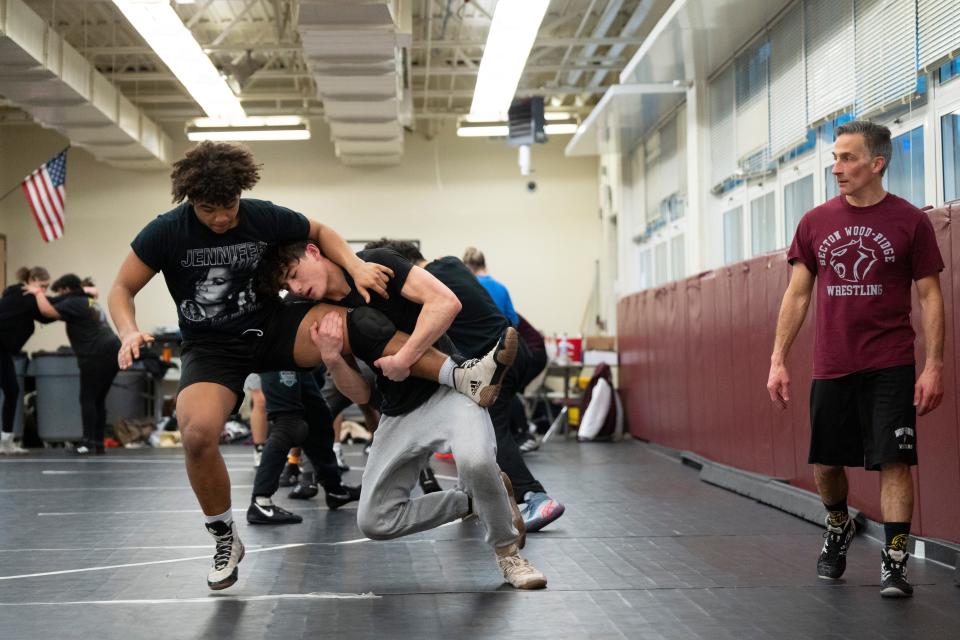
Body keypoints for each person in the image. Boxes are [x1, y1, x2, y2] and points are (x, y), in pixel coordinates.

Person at [108, 141, 510, 591]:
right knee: (197, 433)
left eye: (229, 206)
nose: (221, 218)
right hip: (212, 347)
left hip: (273, 325)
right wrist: (128, 331)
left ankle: (461, 375)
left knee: (354, 322)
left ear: (241, 193)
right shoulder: (164, 233)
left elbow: (319, 230)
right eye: (208, 210)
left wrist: (356, 266)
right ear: (190, 201)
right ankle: (224, 537)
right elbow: (122, 288)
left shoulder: (260, 215)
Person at [259, 241, 547, 589]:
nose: (297, 288)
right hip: (397, 411)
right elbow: (362, 394)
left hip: (451, 393)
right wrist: (333, 358)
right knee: (374, 521)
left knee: (476, 462)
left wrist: (404, 357)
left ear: (314, 251)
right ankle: (478, 500)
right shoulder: (318, 311)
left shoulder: (377, 264)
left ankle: (508, 553)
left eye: (294, 275)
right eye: (288, 286)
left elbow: (446, 302)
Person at [766, 120, 945, 599]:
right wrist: (778, 359)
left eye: (847, 158)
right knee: (826, 463)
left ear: (877, 163)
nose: (836, 169)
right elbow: (797, 294)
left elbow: (929, 296)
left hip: (891, 361)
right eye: (835, 159)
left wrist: (933, 365)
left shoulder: (910, 221)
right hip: (833, 362)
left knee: (894, 462)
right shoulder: (816, 222)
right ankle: (840, 524)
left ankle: (895, 561)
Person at [365, 240, 565, 532]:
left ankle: (535, 496)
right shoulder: (452, 264)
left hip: (495, 358)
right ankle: (470, 493)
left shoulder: (424, 287)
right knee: (481, 424)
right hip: (516, 350)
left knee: (494, 428)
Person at [246, 366, 360, 525]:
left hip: (297, 361)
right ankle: (261, 501)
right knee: (289, 425)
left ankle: (335, 490)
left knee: (318, 418)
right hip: (277, 356)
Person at [35, 274, 122, 455]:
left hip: (95, 354)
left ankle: (88, 443)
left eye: (60, 291)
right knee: (98, 399)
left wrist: (37, 292)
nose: (60, 294)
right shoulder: (88, 301)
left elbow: (47, 312)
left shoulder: (74, 301)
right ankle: (98, 444)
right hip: (112, 350)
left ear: (66, 289)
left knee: (88, 398)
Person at [0, 266, 53, 455]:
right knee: (11, 390)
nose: (44, 291)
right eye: (42, 286)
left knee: (12, 390)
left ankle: (5, 440)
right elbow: (48, 314)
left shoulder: (22, 296)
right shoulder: (25, 297)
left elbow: (46, 312)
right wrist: (83, 296)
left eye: (46, 287)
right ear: (31, 280)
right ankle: (5, 440)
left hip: (3, 350)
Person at [463, 247, 518, 326]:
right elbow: (514, 320)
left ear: (467, 267)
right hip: (500, 335)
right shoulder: (501, 288)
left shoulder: (468, 287)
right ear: (484, 265)